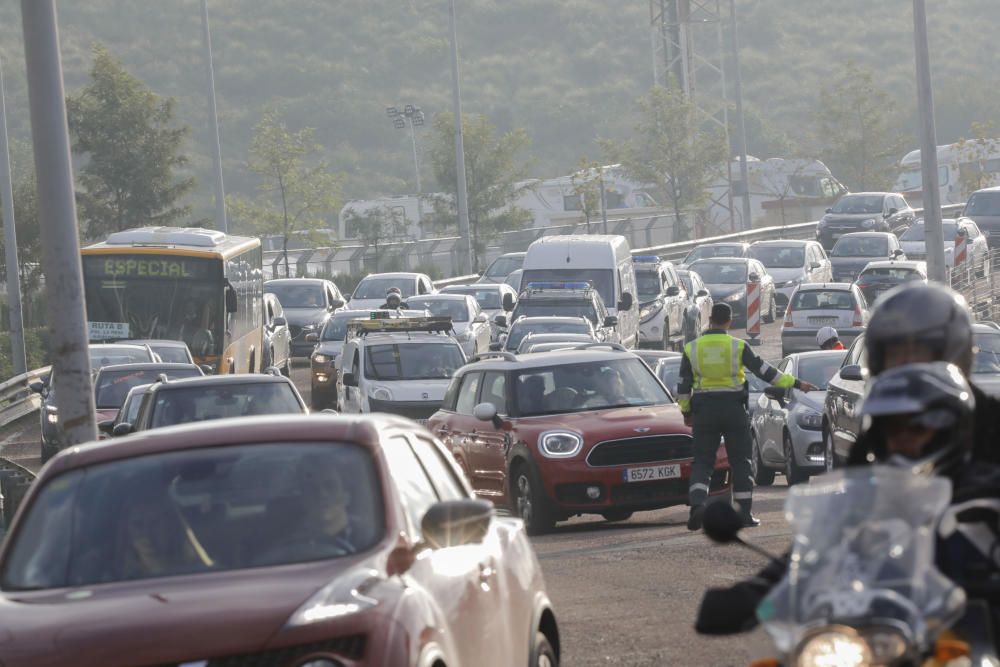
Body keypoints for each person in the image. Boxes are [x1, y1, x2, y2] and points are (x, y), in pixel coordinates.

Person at [695, 362, 1000, 637]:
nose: (902, 439)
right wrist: (760, 596)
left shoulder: (987, 491)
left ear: (950, 430)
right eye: (892, 429)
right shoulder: (864, 502)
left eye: (917, 427)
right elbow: (812, 556)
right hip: (882, 641)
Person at [677, 302, 818, 530]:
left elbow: (683, 387)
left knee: (702, 462)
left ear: (710, 319)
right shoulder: (737, 346)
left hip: (704, 412)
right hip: (734, 410)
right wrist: (797, 383)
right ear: (729, 321)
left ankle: (697, 505)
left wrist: (686, 412)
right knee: (741, 462)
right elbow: (765, 372)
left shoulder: (692, 348)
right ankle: (743, 513)